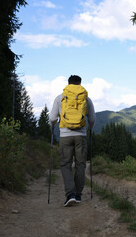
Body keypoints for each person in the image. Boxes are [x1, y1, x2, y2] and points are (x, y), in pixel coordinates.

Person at [49, 75, 96, 207]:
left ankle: (70, 194)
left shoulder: (60, 98)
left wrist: (52, 127)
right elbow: (92, 119)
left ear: (68, 83)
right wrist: (90, 129)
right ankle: (78, 195)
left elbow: (52, 118)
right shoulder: (86, 98)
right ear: (80, 83)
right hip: (81, 135)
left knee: (65, 164)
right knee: (81, 164)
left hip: (65, 135)